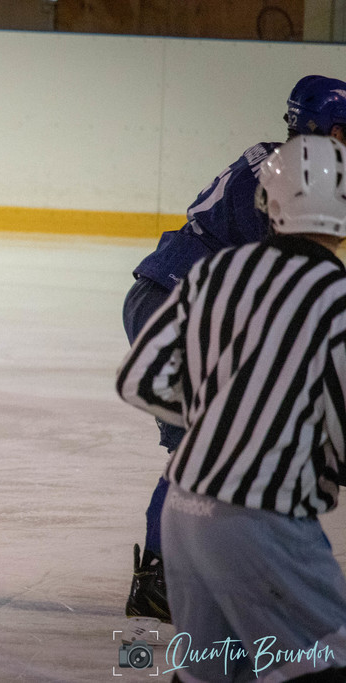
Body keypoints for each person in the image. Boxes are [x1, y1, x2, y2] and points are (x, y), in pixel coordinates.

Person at [116, 134, 346, 682]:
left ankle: (156, 579)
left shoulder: (217, 272)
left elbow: (139, 379)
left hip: (184, 514)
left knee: (209, 673)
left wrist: (220, 422)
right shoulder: (334, 297)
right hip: (261, 519)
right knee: (328, 661)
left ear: (269, 202)